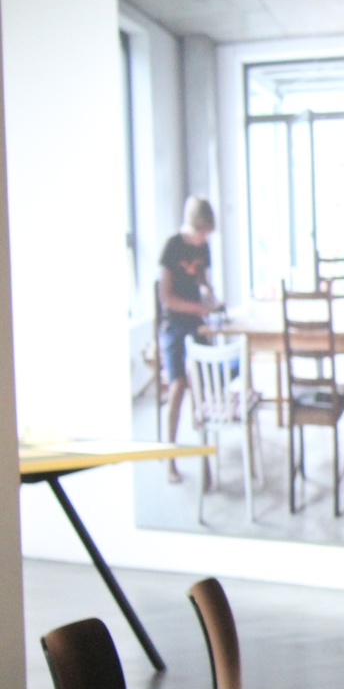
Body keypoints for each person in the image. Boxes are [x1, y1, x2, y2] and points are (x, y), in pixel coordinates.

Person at [158, 195, 217, 483]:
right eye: (202, 232)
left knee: (201, 389)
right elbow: (166, 298)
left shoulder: (203, 247)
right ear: (194, 226)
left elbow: (202, 280)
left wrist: (208, 293)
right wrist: (197, 307)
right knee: (178, 387)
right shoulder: (172, 247)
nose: (204, 238)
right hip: (175, 324)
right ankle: (170, 460)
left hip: (196, 323)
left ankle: (205, 460)